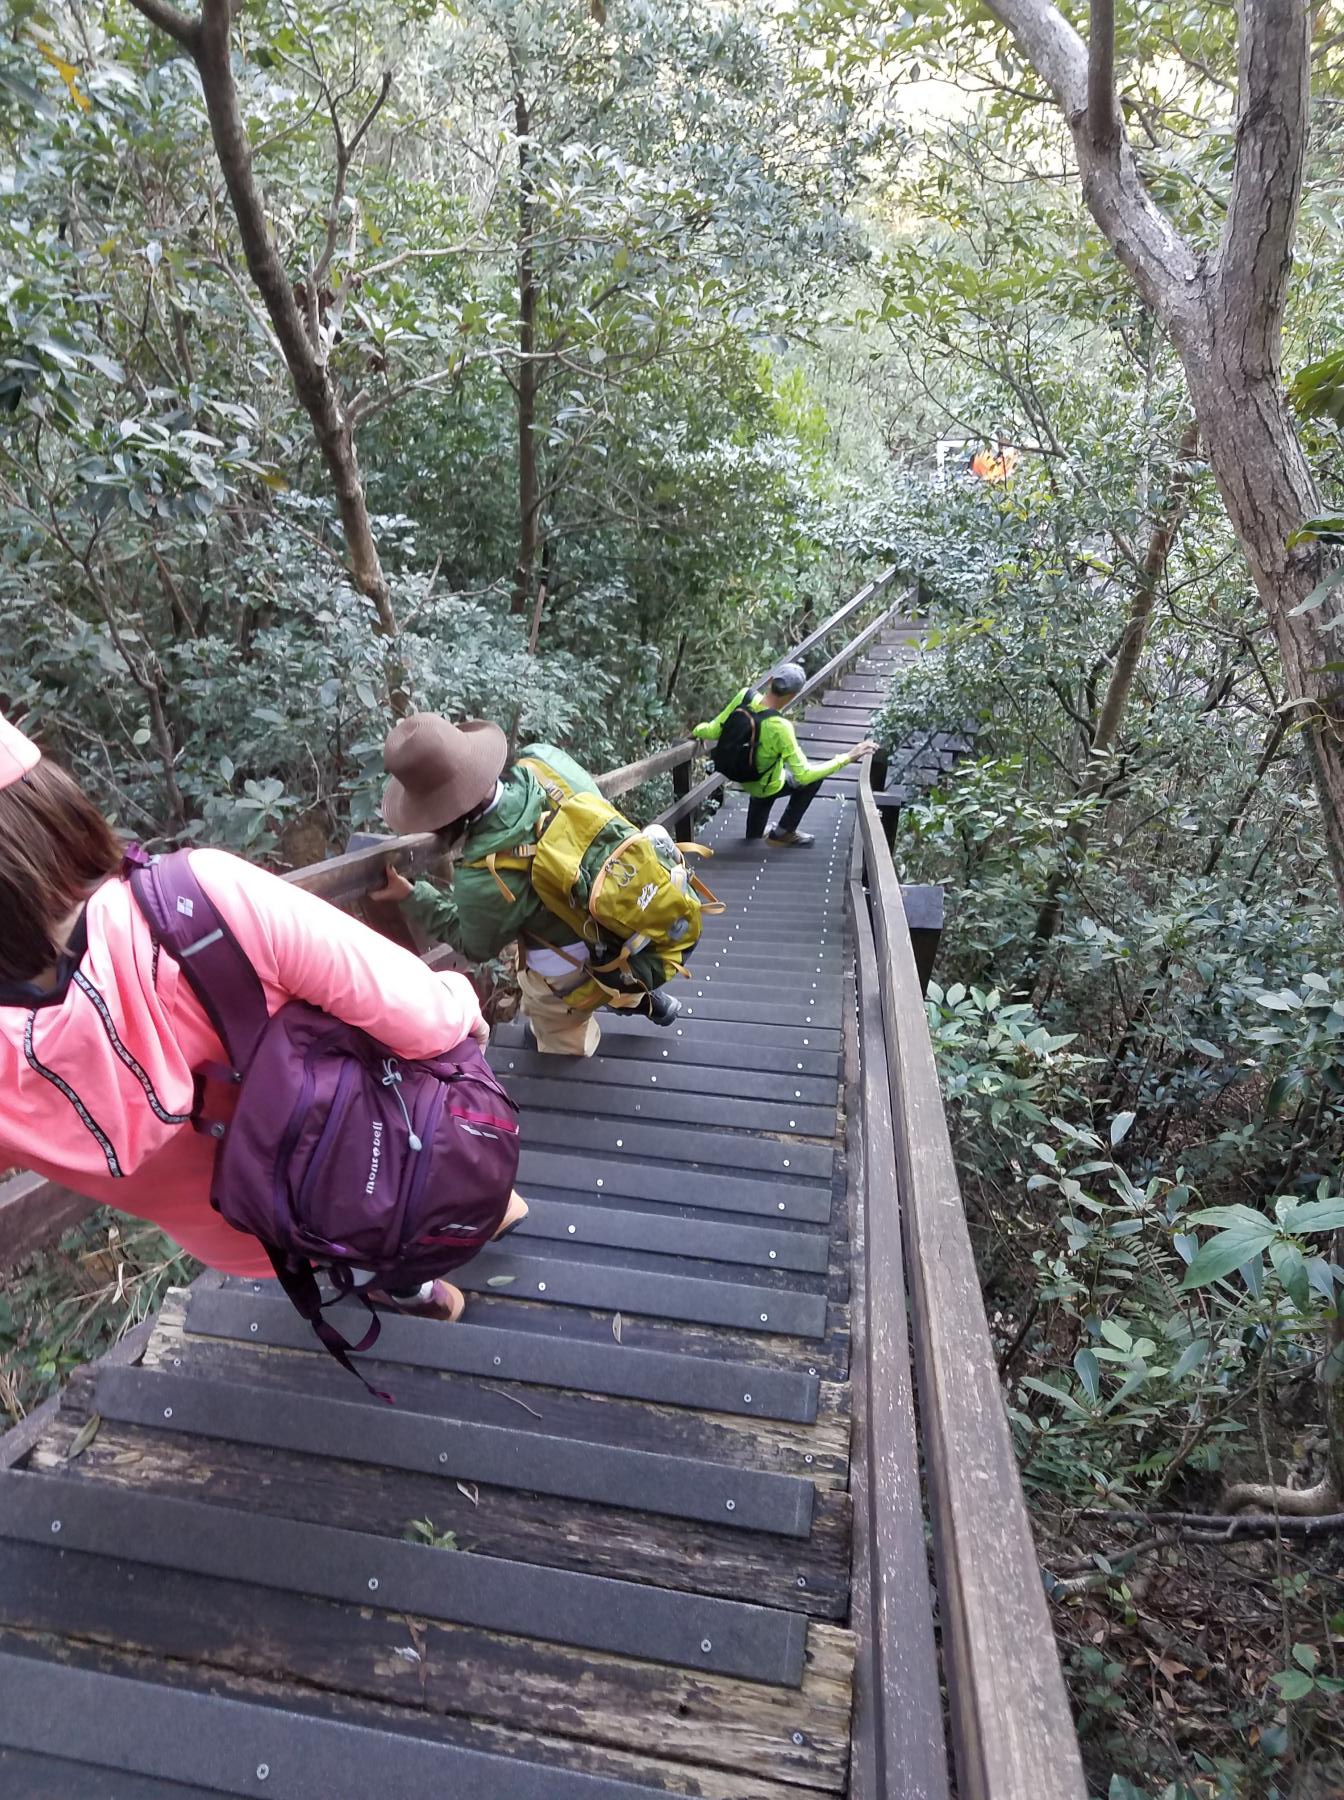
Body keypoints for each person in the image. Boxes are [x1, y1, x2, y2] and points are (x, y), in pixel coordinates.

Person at [0, 712, 525, 1321]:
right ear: (50, 803)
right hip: (352, 1153)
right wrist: (458, 996)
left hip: (256, 1228)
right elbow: (422, 1016)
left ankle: (397, 1279)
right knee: (411, 1098)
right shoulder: (197, 902)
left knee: (335, 1209)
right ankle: (458, 1222)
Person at [372, 714, 674, 1057]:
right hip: (628, 910)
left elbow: (474, 945)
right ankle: (639, 991)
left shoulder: (485, 876)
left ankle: (568, 1051)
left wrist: (414, 896)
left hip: (567, 963)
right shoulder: (544, 762)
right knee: (614, 953)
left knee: (558, 1029)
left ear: (437, 814)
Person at [692, 662, 877, 846]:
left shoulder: (745, 696)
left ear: (770, 681)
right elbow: (804, 775)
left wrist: (696, 731)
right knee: (812, 779)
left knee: (753, 840)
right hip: (765, 787)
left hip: (740, 777)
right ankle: (783, 832)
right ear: (792, 696)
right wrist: (848, 757)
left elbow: (712, 731)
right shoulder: (780, 727)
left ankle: (756, 836)